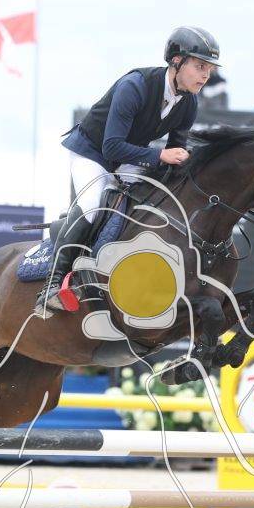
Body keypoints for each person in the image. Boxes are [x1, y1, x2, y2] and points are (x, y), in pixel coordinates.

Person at [40, 26, 222, 314]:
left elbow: (175, 152)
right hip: (93, 152)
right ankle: (51, 284)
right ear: (177, 61)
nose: (206, 75)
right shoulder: (134, 86)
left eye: (209, 69)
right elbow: (112, 147)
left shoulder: (189, 102)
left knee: (149, 205)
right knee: (92, 206)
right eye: (200, 67)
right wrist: (160, 155)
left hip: (130, 157)